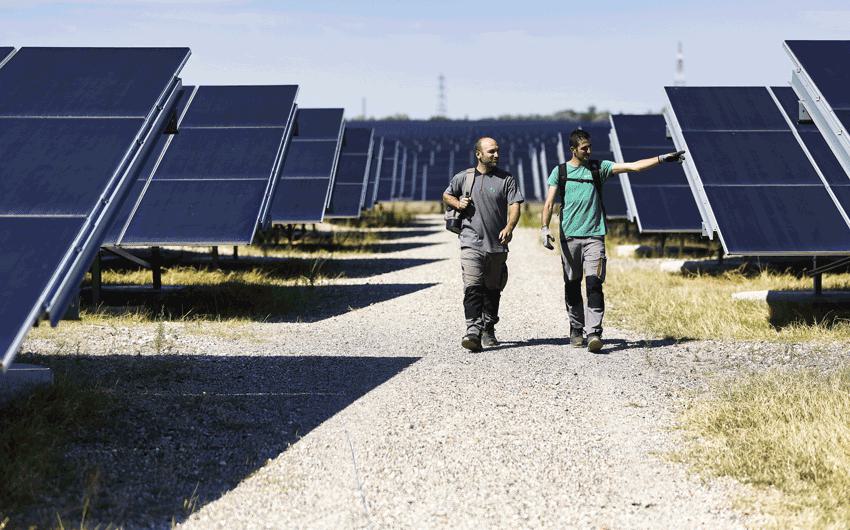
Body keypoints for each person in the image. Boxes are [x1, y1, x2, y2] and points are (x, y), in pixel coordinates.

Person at [540, 128, 684, 353]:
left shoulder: (599, 168)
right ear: (573, 150)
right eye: (583, 148)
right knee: (572, 286)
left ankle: (594, 332)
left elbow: (633, 166)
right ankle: (576, 328)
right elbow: (549, 203)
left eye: (589, 147)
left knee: (594, 284)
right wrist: (544, 228)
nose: (588, 151)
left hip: (594, 236)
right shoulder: (560, 172)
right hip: (569, 238)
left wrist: (662, 158)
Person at [443, 137, 524, 352]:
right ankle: (472, 330)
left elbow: (515, 205)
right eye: (491, 152)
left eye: (497, 151)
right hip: (470, 242)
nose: (496, 155)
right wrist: (457, 203)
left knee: (493, 289)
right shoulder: (464, 178)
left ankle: (488, 326)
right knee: (472, 287)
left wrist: (509, 227)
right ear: (478, 154)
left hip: (497, 244)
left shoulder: (507, 179)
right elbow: (446, 194)